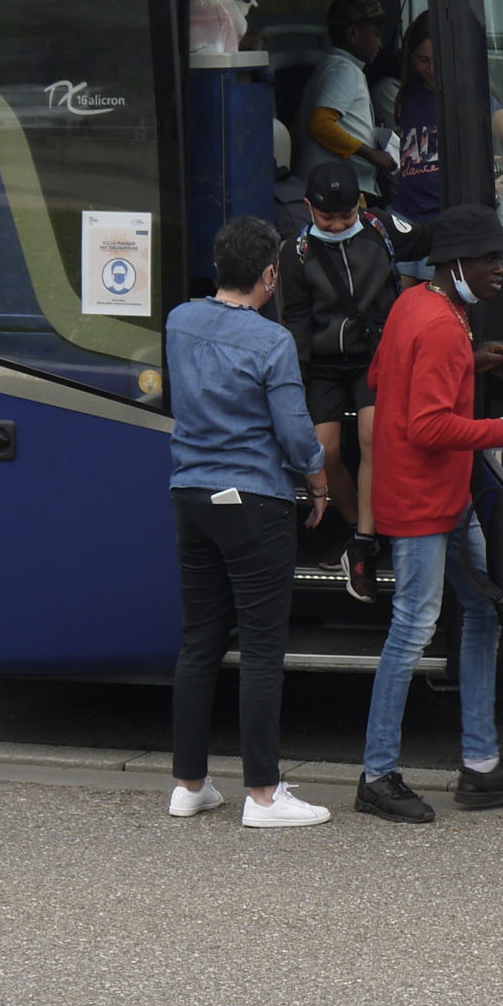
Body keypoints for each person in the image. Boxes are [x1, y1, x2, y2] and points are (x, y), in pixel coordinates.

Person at [353, 204, 503, 824]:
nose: (499, 269)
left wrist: (473, 362)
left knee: (483, 611)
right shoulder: (442, 323)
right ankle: (376, 774)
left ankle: (483, 765)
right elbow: (429, 424)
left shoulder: (418, 304)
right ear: (455, 262)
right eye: (490, 259)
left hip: (440, 495)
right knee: (413, 629)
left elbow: (385, 376)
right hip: (424, 502)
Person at [164, 216, 333, 830]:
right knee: (261, 648)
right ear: (269, 273)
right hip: (253, 501)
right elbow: (293, 430)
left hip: (190, 495)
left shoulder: (179, 322)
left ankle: (190, 783)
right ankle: (263, 794)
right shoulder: (271, 341)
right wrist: (317, 481)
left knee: (198, 643)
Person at [275, 160, 397, 532]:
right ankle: (354, 523)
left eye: (346, 215)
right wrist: (296, 379)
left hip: (372, 357)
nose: (339, 225)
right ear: (309, 207)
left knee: (372, 436)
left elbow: (429, 239)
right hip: (324, 364)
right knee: (324, 450)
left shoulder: (380, 230)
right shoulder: (295, 253)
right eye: (328, 218)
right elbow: (296, 319)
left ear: (360, 202)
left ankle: (367, 535)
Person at [388, 14, 503, 240]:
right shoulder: (408, 95)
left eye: (439, 58)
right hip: (406, 220)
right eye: (423, 60)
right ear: (411, 58)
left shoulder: (476, 98)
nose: (433, 68)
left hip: (450, 228)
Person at [295, 0, 400, 198]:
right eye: (376, 35)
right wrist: (371, 154)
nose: (380, 44)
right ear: (353, 34)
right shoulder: (343, 70)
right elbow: (321, 124)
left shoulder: (330, 66)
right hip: (337, 190)